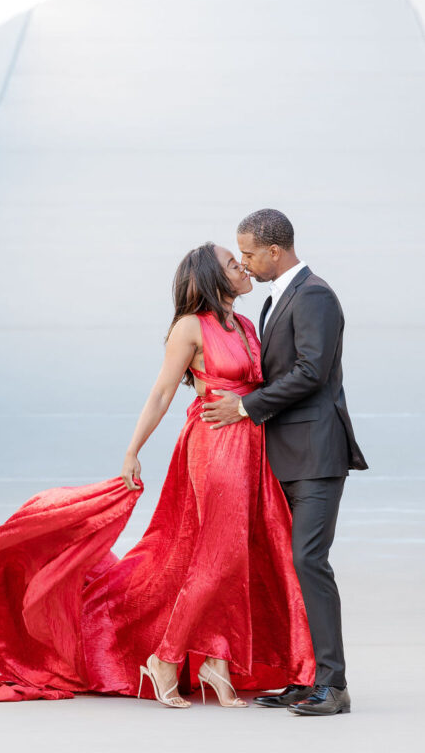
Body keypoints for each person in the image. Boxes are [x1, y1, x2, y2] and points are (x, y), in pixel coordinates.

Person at [0, 243, 315, 708]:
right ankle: (165, 657)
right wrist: (133, 451)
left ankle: (216, 657)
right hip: (214, 443)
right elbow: (160, 393)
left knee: (238, 554)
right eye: (232, 264)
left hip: (250, 446)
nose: (242, 268)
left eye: (240, 261)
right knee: (217, 557)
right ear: (212, 278)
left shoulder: (244, 324)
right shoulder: (189, 328)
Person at [202, 209, 368, 717]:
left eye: (249, 254)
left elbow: (312, 371)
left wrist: (246, 407)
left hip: (316, 454)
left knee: (308, 561)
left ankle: (333, 686)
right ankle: (306, 677)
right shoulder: (279, 298)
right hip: (286, 455)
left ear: (276, 250)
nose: (246, 265)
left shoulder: (314, 295)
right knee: (290, 565)